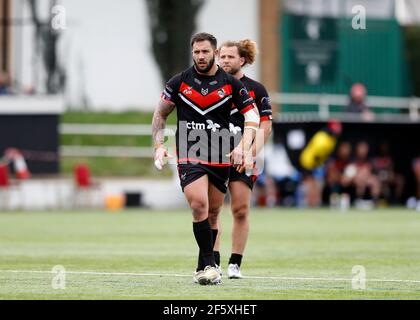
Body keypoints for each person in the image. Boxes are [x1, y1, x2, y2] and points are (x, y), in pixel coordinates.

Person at [152, 32, 260, 286]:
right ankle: (211, 264)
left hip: (220, 153)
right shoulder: (179, 82)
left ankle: (203, 267)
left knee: (212, 213)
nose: (200, 56)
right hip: (190, 152)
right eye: (196, 52)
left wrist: (244, 147)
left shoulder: (231, 84)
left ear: (214, 53)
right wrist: (159, 145)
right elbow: (160, 115)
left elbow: (252, 117)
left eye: (205, 52)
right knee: (198, 204)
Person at [212, 39, 273, 279]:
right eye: (222, 56)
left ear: (242, 60)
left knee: (239, 209)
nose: (225, 60)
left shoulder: (257, 89)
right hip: (214, 153)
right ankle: (212, 262)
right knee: (212, 211)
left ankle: (235, 264)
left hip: (246, 155)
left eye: (230, 57)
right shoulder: (211, 86)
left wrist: (249, 152)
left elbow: (265, 127)